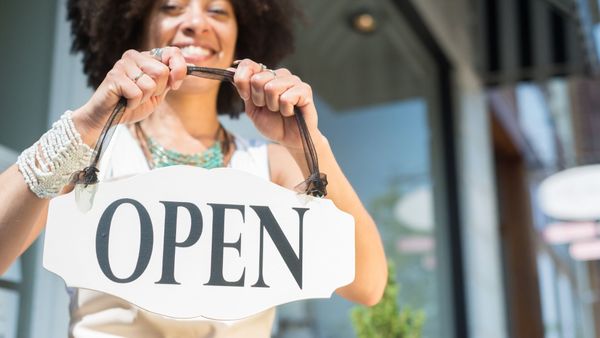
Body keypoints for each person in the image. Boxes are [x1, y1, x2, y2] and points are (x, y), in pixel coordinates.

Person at [0, 0, 388, 336]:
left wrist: (307, 143)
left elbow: (368, 286)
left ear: (243, 37)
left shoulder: (273, 165)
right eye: (171, 7)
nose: (195, 23)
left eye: (217, 10)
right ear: (138, 26)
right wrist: (86, 124)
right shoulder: (91, 152)